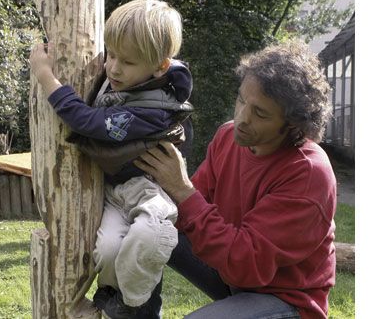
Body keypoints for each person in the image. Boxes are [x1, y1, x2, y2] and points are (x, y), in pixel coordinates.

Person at [134, 39, 337, 319]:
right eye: (242, 100)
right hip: (235, 273)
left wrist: (181, 189)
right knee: (149, 223)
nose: (241, 118)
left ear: (292, 125)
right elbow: (190, 212)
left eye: (260, 113)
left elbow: (245, 260)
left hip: (287, 300)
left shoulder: (308, 173)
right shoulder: (227, 137)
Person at [29, 0, 193, 319]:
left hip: (149, 193)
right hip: (116, 196)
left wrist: (47, 76)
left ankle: (134, 304)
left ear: (160, 66)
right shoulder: (126, 82)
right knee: (106, 250)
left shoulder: (152, 110)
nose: (114, 67)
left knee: (148, 237)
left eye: (127, 62)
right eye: (112, 54)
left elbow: (89, 123)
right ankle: (113, 297)